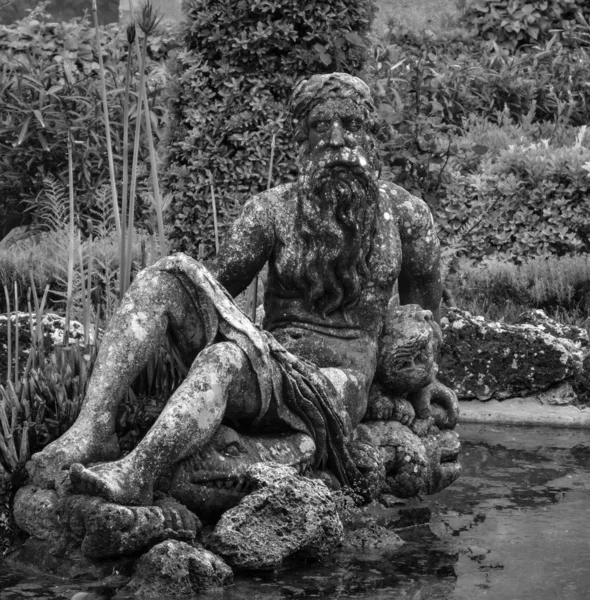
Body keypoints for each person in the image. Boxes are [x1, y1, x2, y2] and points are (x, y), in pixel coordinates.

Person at [29, 73, 456, 506]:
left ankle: (137, 472)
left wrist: (424, 381)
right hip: (271, 359)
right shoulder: (271, 210)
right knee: (167, 278)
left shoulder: (405, 215)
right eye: (320, 126)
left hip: (340, 380)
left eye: (350, 125)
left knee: (222, 360)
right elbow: (217, 289)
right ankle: (94, 427)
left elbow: (422, 312)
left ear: (370, 134)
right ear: (302, 138)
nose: (336, 139)